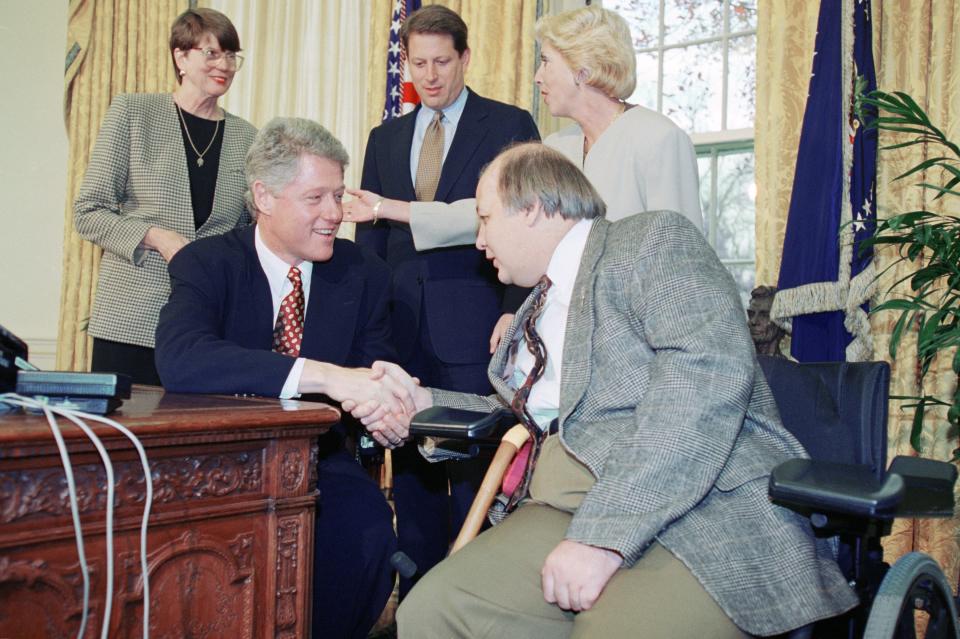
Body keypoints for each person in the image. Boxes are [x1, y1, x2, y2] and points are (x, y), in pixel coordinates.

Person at [353, 143, 857, 637]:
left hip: (697, 507)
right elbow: (523, 415)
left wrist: (603, 538)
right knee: (430, 613)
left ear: (531, 209)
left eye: (485, 218)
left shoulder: (650, 241)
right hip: (561, 506)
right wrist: (422, 403)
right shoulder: (535, 309)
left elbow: (702, 380)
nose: (479, 239)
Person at [155, 118, 407, 639]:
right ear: (264, 197)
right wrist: (324, 376)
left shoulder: (363, 274)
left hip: (319, 460)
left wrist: (385, 410)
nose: (335, 213)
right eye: (315, 197)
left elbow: (374, 370)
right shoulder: (207, 264)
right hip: (213, 465)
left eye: (338, 195)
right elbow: (183, 357)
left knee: (366, 530)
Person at [345, 4, 540, 598]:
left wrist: (514, 308)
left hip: (477, 324)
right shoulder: (386, 137)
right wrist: (368, 331)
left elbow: (530, 228)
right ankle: (422, 603)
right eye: (418, 63)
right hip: (401, 332)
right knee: (411, 479)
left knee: (478, 479)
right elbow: (370, 244)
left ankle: (479, 603)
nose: (429, 76)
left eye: (441, 62)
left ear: (465, 58)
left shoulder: (509, 124)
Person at [74, 8, 257, 385]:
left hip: (203, 325)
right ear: (181, 56)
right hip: (129, 319)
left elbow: (246, 231)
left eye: (230, 55)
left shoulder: (247, 137)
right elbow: (88, 211)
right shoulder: (134, 112)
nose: (223, 64)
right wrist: (158, 237)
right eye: (211, 53)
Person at [536, 5, 702, 227]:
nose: (537, 77)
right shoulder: (555, 149)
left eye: (546, 61)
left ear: (582, 71)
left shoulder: (659, 138)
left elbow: (681, 251)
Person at [748, 285, 787, 357]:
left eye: (764, 315)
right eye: (751, 314)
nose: (753, 321)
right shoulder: (734, 362)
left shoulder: (790, 367)